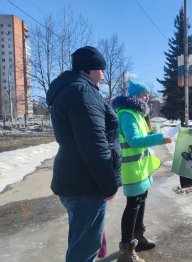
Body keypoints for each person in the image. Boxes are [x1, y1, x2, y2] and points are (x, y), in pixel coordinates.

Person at [46, 46, 121, 262]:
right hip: (85, 185)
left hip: (76, 180)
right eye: (102, 70)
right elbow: (95, 145)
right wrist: (108, 185)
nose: (104, 75)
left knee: (81, 242)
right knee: (84, 250)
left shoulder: (72, 89)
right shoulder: (83, 93)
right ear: (90, 69)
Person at [111, 80, 172, 262]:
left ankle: (139, 238)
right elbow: (134, 141)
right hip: (133, 169)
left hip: (141, 167)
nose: (146, 96)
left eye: (147, 94)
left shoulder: (138, 114)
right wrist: (159, 138)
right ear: (133, 96)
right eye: (143, 94)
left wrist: (153, 131)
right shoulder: (127, 114)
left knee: (141, 202)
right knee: (133, 206)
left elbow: (142, 137)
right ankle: (126, 251)